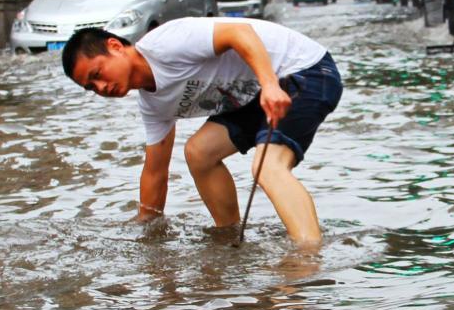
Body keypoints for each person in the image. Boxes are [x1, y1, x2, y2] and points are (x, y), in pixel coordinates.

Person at [61, 18, 343, 246]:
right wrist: (144, 231)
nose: (101, 88)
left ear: (115, 46)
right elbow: (155, 173)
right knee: (199, 152)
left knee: (267, 167)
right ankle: (230, 237)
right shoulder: (153, 106)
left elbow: (238, 31)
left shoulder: (164, 43)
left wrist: (270, 84)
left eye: (97, 74)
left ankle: (307, 256)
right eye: (91, 87)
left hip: (304, 70)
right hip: (253, 94)